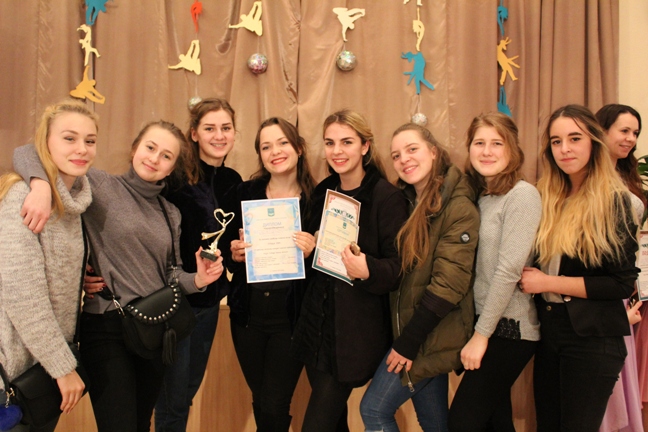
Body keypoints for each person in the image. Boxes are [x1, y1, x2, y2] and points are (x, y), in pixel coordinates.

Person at [13, 120, 224, 432]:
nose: (155, 158)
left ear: (172, 167)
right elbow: (26, 152)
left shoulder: (170, 213)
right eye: (150, 147)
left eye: (166, 156)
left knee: (140, 424)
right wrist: (41, 186)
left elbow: (170, 274)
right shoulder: (99, 185)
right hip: (107, 327)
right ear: (135, 148)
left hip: (153, 331)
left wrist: (199, 280)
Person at [519, 104, 640, 432]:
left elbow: (619, 284)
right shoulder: (547, 196)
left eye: (575, 138)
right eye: (556, 141)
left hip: (593, 338)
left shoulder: (616, 201)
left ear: (594, 143)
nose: (565, 149)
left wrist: (548, 282)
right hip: (550, 331)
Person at [290, 110, 409, 432]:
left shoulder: (387, 198)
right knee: (333, 422)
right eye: (330, 143)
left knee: (316, 425)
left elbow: (398, 268)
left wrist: (365, 267)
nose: (337, 151)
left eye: (347, 142)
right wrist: (308, 248)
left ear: (365, 146)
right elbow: (316, 257)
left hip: (354, 335)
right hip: (317, 326)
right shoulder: (324, 190)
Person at [359, 123, 480, 432]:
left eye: (412, 149)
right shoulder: (406, 201)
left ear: (433, 151)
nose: (404, 159)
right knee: (434, 423)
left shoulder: (458, 206)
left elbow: (448, 285)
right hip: (417, 334)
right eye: (396, 155)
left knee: (374, 410)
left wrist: (408, 343)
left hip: (428, 335)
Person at [0, 100, 96, 432]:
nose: (82, 148)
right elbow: (21, 293)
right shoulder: (23, 196)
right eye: (69, 138)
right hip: (11, 373)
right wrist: (62, 367)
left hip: (41, 370)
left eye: (90, 140)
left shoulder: (76, 202)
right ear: (46, 143)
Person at [150, 99, 242, 432]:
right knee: (171, 401)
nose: (219, 135)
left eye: (226, 128)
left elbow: (228, 242)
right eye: (210, 128)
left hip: (209, 303)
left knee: (187, 392)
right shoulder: (174, 178)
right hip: (174, 303)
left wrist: (238, 253)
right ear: (194, 134)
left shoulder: (233, 180)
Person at [447, 113, 540, 432]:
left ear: (512, 149)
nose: (486, 151)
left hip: (508, 329)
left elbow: (508, 270)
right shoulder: (481, 196)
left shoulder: (522, 195)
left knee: (461, 422)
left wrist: (481, 336)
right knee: (495, 423)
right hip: (485, 324)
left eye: (496, 143)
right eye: (479, 143)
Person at [226, 117, 315, 431]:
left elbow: (330, 265)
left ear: (299, 148)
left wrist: (313, 251)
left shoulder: (316, 199)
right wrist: (234, 253)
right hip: (247, 315)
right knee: (261, 398)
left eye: (283, 143)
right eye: (266, 147)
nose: (275, 152)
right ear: (260, 155)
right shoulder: (243, 193)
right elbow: (224, 251)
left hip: (291, 319)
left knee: (275, 402)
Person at [595, 103, 644, 432]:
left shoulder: (627, 178)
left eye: (635, 133)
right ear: (602, 131)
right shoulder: (590, 182)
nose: (630, 139)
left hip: (625, 290)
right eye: (624, 130)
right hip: (602, 295)